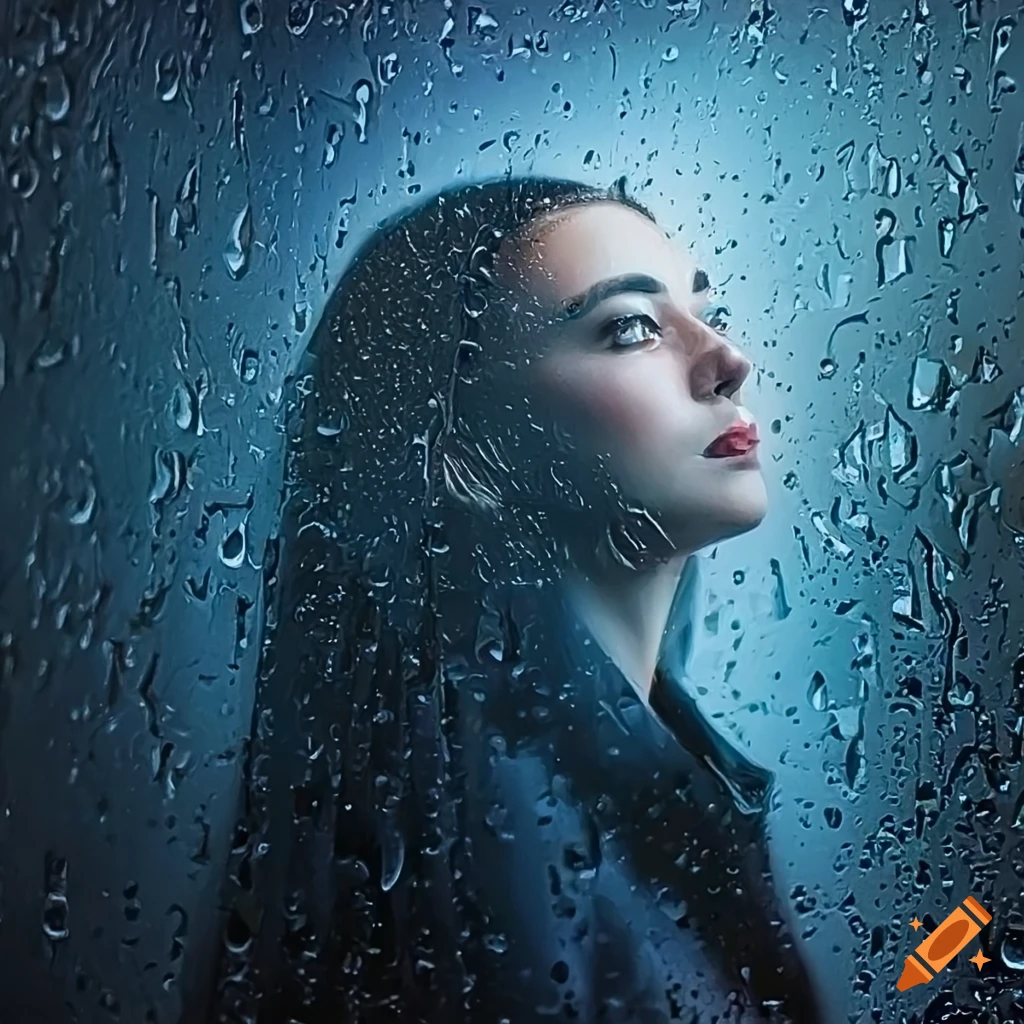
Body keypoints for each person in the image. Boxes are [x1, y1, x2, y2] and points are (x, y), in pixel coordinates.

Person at [209, 176, 824, 1023]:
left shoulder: (635, 781)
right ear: (462, 448)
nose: (727, 359)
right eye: (631, 328)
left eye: (700, 308)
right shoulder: (493, 835)